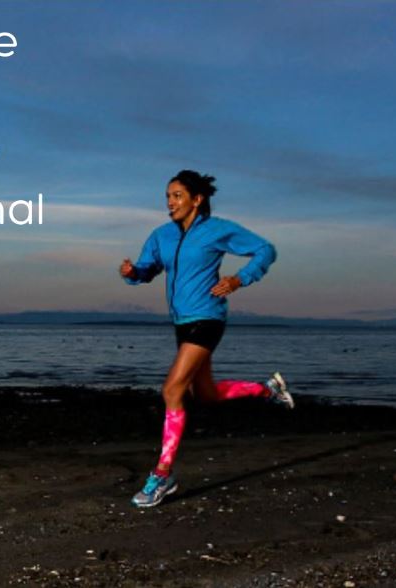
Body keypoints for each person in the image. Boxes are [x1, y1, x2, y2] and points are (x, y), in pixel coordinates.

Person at [119, 170, 293, 508]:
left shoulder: (217, 229)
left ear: (197, 199)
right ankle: (267, 389)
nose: (170, 202)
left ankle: (162, 475)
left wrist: (240, 279)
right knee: (207, 394)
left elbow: (265, 250)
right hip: (182, 322)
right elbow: (148, 269)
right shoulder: (161, 235)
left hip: (208, 317)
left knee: (172, 390)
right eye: (168, 196)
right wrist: (133, 273)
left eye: (177, 195)